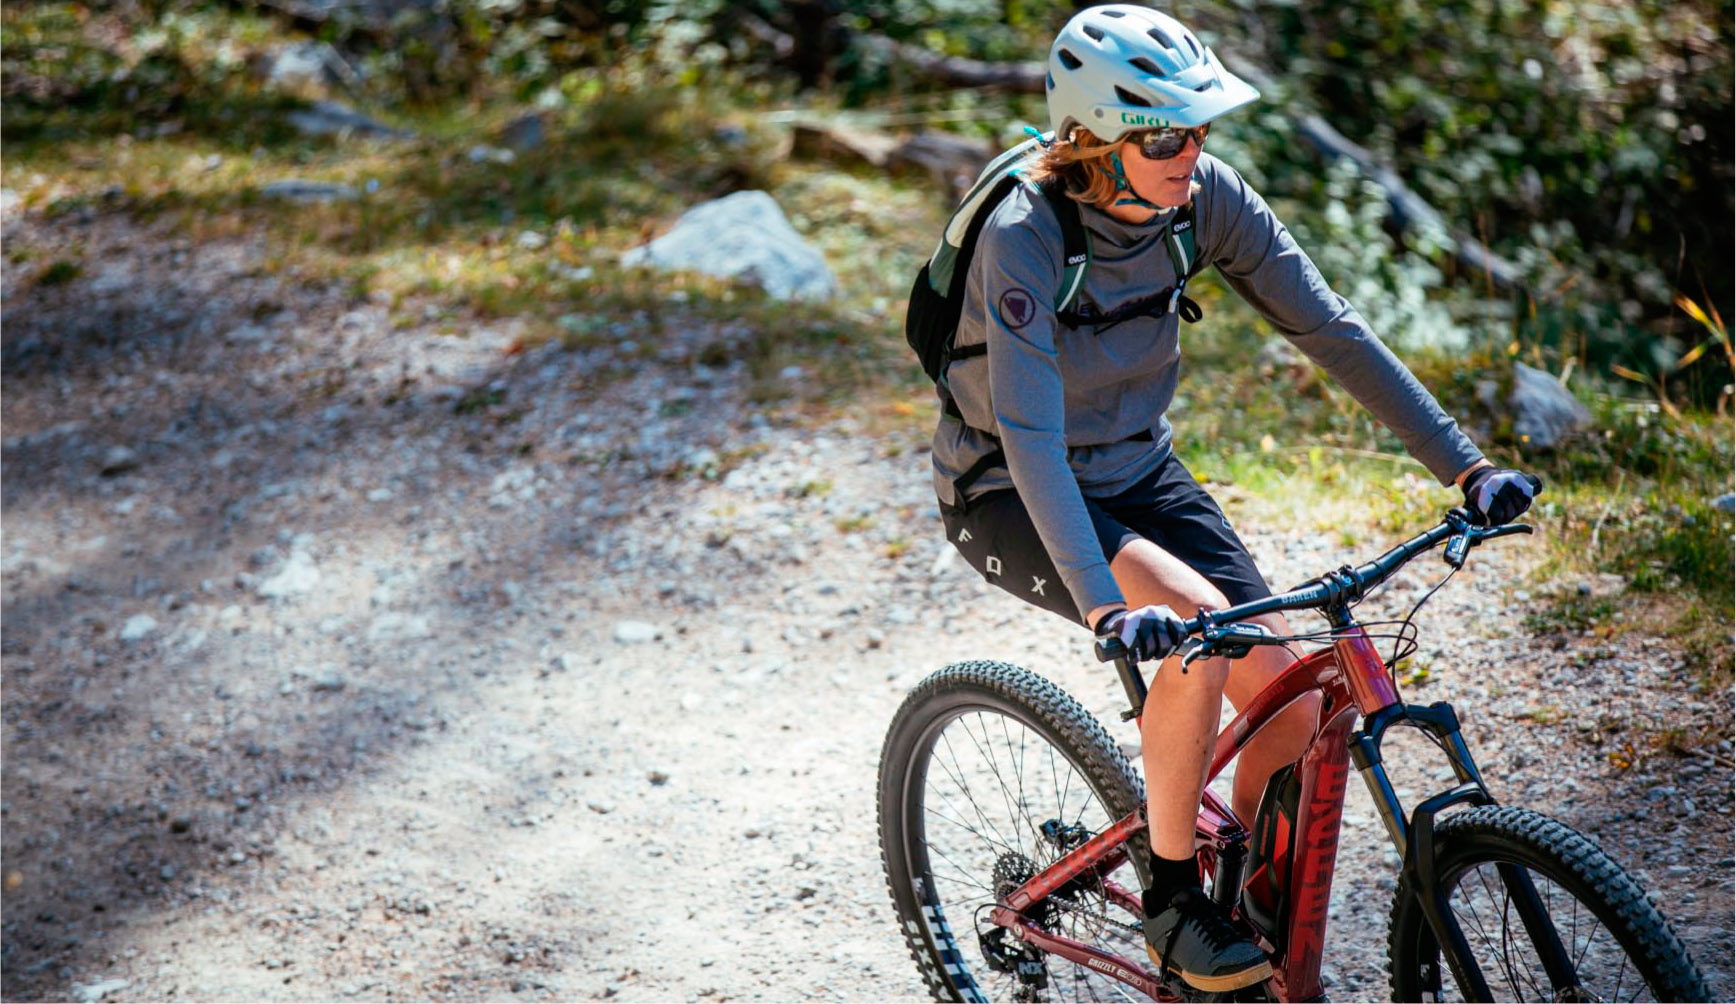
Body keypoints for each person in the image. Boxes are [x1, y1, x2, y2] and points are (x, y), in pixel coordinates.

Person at [929, 4, 1543, 993]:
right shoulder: (1024, 235)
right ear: (1090, 138)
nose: (1190, 152)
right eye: (1163, 134)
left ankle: (1246, 931)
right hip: (1007, 484)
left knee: (1292, 716)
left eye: (1198, 127)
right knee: (1196, 624)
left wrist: (1464, 467)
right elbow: (1032, 438)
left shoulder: (1203, 199)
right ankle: (1173, 901)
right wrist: (1103, 605)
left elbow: (1330, 330)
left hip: (1134, 467)